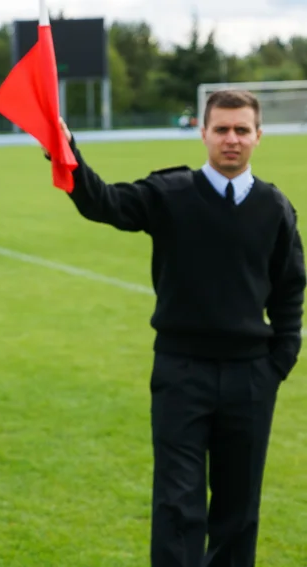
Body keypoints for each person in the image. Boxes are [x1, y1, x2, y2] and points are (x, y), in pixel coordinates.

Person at [47, 89, 305, 567]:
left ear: (258, 136)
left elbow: (291, 289)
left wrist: (279, 361)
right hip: (181, 373)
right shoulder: (170, 193)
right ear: (203, 132)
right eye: (222, 129)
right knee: (177, 504)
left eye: (242, 130)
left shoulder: (275, 207)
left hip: (252, 377)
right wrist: (67, 153)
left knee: (239, 507)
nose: (232, 139)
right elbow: (104, 203)